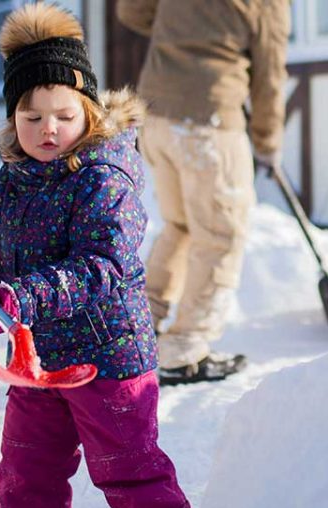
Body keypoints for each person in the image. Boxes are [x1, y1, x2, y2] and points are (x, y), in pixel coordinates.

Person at [0, 3, 191, 508]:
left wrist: (22, 296)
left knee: (130, 473)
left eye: (64, 115)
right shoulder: (18, 172)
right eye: (31, 117)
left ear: (90, 113)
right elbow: (4, 234)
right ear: (13, 118)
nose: (47, 129)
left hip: (107, 359)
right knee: (25, 475)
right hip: (36, 362)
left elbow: (104, 263)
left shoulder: (104, 178)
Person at [116, 0, 291, 385]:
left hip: (157, 115)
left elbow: (131, 12)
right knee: (220, 236)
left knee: (180, 225)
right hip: (207, 121)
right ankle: (183, 352)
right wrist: (267, 140)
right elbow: (270, 74)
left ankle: (133, 331)